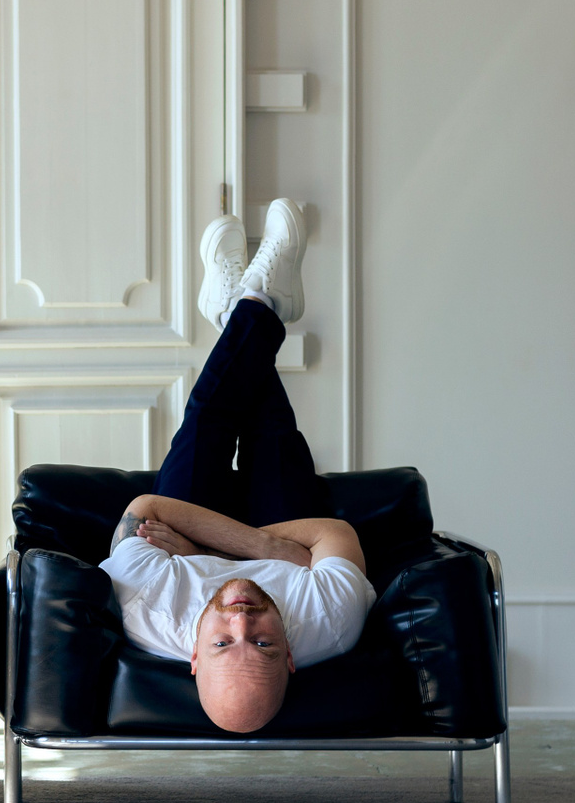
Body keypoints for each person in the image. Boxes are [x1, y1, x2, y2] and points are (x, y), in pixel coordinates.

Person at [100, 199, 376, 734]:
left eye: (223, 642)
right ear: (291, 657)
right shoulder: (329, 622)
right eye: (265, 643)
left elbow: (146, 507)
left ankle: (248, 303)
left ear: (193, 658)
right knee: (272, 433)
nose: (242, 617)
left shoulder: (149, 609)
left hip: (226, 542)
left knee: (207, 419)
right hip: (247, 538)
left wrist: (237, 554)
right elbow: (335, 534)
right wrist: (262, 547)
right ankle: (249, 302)